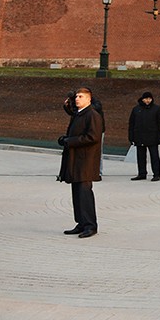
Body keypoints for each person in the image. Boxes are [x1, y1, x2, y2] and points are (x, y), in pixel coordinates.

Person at [57, 87, 104, 238]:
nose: (77, 99)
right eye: (76, 96)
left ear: (89, 99)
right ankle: (81, 223)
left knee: (84, 193)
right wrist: (65, 139)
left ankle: (90, 225)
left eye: (81, 96)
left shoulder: (92, 115)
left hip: (86, 161)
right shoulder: (78, 114)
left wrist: (70, 141)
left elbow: (93, 137)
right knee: (77, 193)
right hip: (76, 160)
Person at [127, 91, 160, 181]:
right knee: (140, 156)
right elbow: (131, 124)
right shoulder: (136, 109)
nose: (148, 100)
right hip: (139, 136)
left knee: (154, 156)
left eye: (149, 99)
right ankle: (142, 173)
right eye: (146, 99)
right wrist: (131, 136)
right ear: (142, 99)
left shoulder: (157, 109)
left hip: (152, 136)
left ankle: (157, 174)